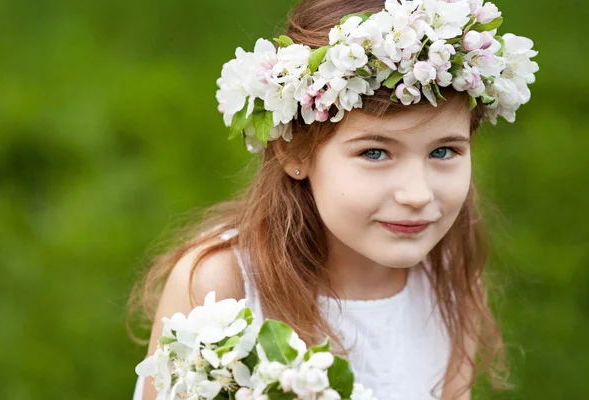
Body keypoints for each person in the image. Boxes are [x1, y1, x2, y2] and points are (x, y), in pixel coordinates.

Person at [128, 0, 538, 399]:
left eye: (443, 151)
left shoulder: (447, 274)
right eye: (375, 153)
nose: (417, 195)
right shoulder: (219, 285)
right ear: (294, 152)